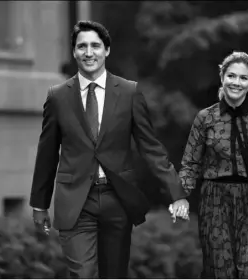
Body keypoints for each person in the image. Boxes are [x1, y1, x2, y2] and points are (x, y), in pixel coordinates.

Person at [29, 20, 189, 279]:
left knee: (114, 275)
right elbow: (46, 153)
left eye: (95, 46)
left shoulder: (129, 92)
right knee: (82, 274)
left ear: (107, 50)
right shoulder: (58, 96)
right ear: (74, 52)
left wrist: (176, 193)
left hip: (117, 199)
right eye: (82, 46)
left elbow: (151, 149)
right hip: (75, 200)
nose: (88, 53)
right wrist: (39, 204)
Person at [173, 51, 248, 278]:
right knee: (219, 272)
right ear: (222, 77)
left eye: (243, 78)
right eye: (231, 76)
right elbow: (190, 162)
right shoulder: (205, 118)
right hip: (214, 201)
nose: (236, 82)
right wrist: (180, 195)